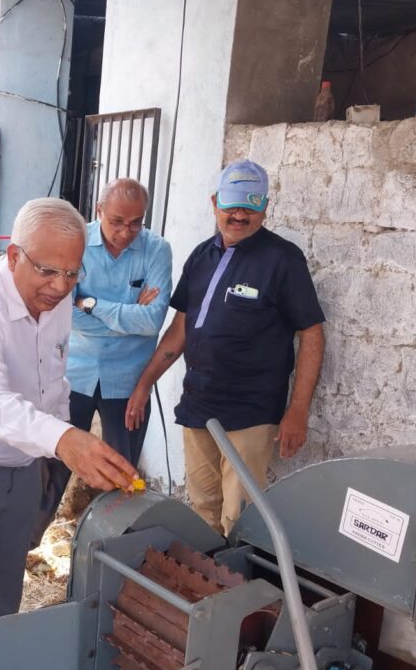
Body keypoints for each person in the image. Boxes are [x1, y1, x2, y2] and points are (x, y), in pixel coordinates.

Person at [0, 197, 139, 629]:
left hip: (22, 465)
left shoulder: (57, 305)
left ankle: (1, 668)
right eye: (47, 271)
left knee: (6, 592)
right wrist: (63, 440)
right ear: (14, 256)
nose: (60, 287)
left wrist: (60, 451)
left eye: (72, 273)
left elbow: (54, 381)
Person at [126, 159, 325, 536]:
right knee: (202, 509)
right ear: (214, 202)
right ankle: (207, 589)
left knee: (241, 514)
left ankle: (239, 589)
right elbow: (181, 327)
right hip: (199, 404)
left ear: (265, 207)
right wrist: (144, 383)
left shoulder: (283, 259)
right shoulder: (202, 256)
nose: (239, 214)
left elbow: (312, 333)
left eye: (250, 206)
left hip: (250, 410)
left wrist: (297, 410)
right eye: (231, 205)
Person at [30, 179, 172, 549]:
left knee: (122, 467)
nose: (126, 232)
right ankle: (27, 540)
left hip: (128, 382)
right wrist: (127, 313)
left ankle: (108, 549)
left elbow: (153, 322)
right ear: (98, 212)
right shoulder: (76, 244)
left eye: (136, 223)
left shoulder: (157, 250)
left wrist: (90, 303)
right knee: (54, 461)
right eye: (117, 221)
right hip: (72, 373)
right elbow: (66, 313)